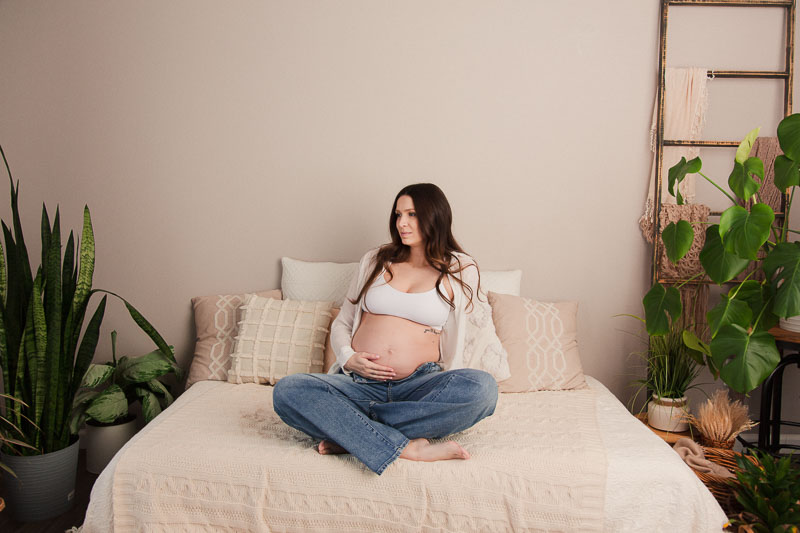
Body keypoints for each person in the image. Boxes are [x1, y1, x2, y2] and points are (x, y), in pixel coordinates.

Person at [272, 183, 498, 475]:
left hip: (419, 387)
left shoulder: (458, 269)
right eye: (398, 215)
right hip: (358, 385)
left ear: (436, 217)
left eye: (412, 214)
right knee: (288, 391)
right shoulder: (375, 261)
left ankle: (351, 431)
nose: (402, 223)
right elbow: (343, 320)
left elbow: (475, 333)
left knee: (483, 389)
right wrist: (347, 356)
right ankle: (404, 446)